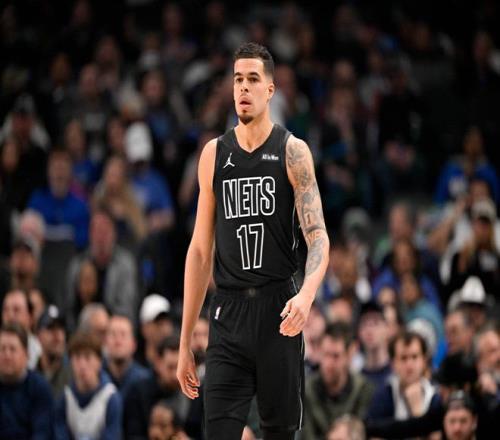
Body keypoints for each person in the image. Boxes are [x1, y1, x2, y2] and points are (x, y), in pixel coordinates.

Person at [177, 42, 329, 440]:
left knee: (280, 432)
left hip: (279, 309)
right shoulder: (213, 154)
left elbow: (318, 237)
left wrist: (307, 294)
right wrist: (184, 341)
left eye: (253, 79)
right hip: (227, 313)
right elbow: (199, 251)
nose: (243, 87)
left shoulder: (292, 152)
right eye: (237, 80)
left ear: (270, 89)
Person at [0, 322, 54, 439]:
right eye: (2, 349)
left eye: (12, 349)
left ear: (26, 355)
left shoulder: (39, 388)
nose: (7, 355)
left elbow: (42, 434)